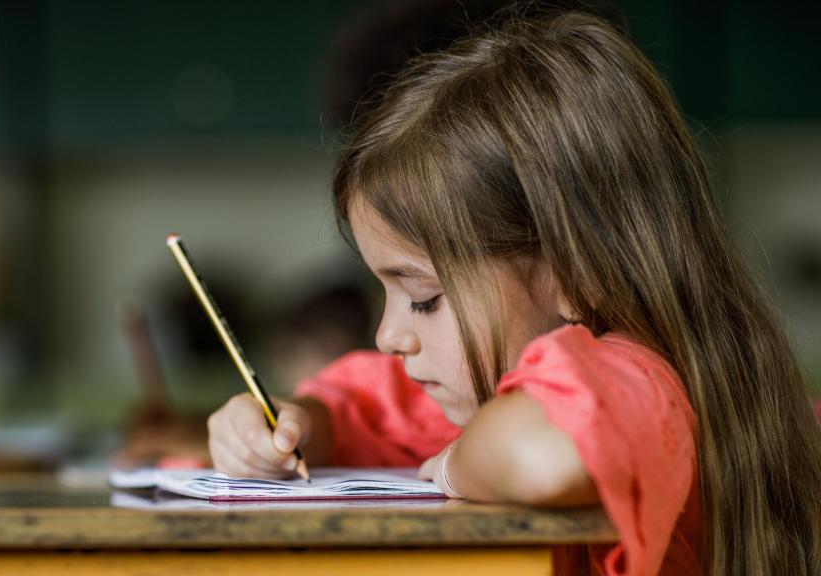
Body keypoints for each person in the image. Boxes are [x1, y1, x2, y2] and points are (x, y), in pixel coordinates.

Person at [206, 10, 821, 576]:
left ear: (579, 275)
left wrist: (451, 466)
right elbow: (366, 405)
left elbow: (545, 454)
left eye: (424, 298)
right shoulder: (485, 384)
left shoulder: (639, 375)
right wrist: (294, 425)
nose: (388, 335)